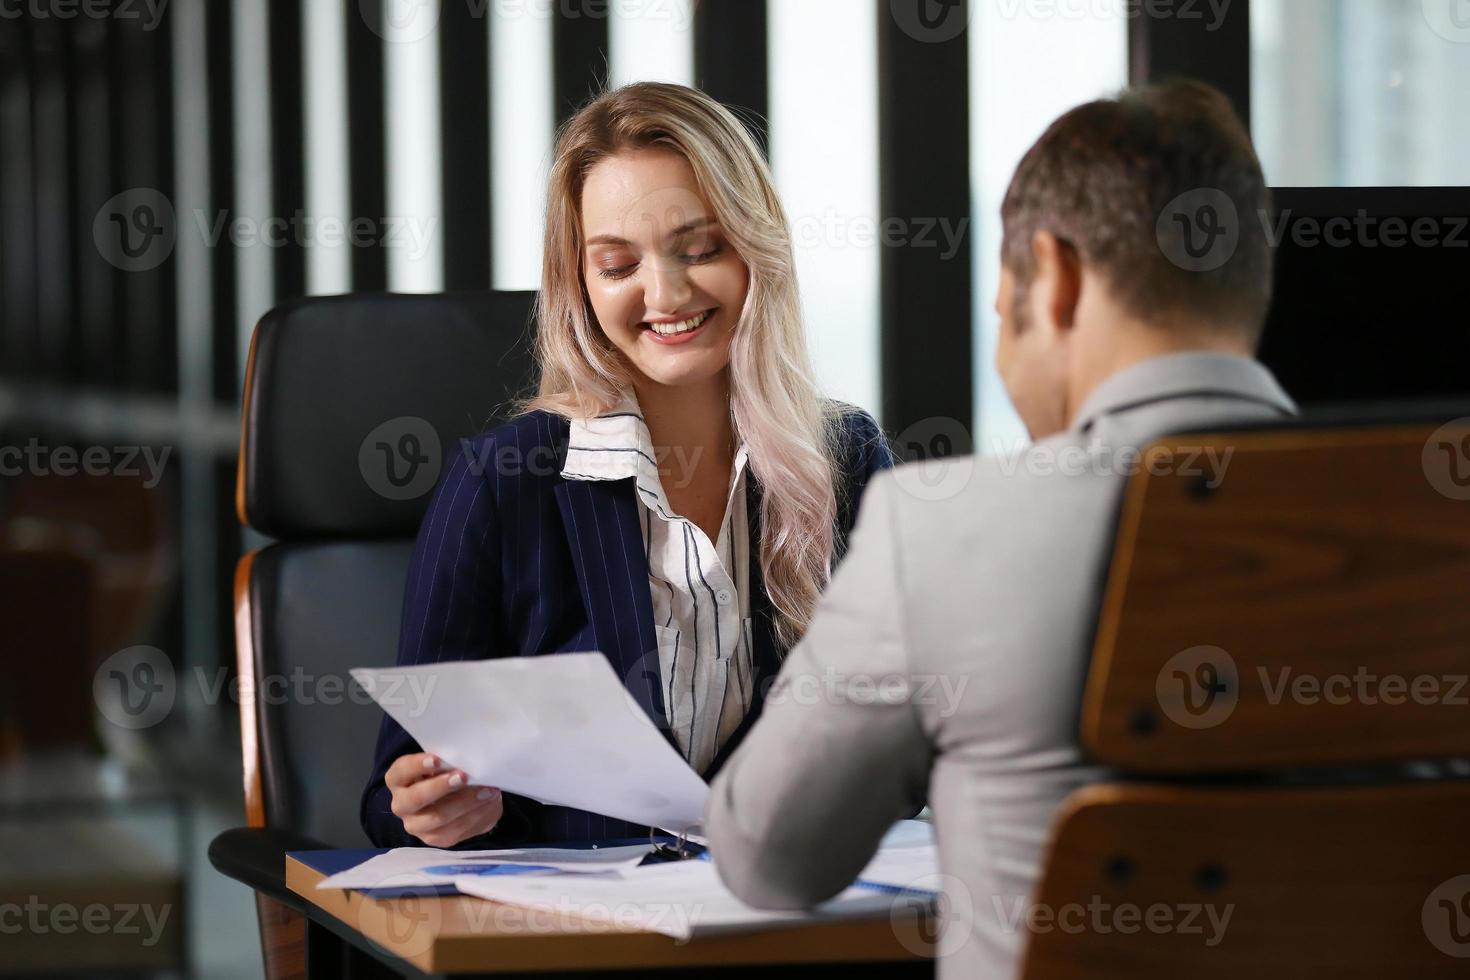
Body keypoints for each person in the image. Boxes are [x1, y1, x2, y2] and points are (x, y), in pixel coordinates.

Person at [703, 80, 1297, 978]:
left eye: (999, 308)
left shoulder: (944, 534)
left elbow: (767, 856)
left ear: (1052, 279)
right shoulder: (1432, 530)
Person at [360, 82, 892, 849]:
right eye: (618, 265)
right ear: (579, 281)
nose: (665, 293)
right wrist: (432, 809)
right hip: (579, 934)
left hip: (786, 910)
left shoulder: (843, 459)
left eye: (701, 249)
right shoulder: (502, 483)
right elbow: (391, 792)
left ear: (757, 247)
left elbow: (899, 739)